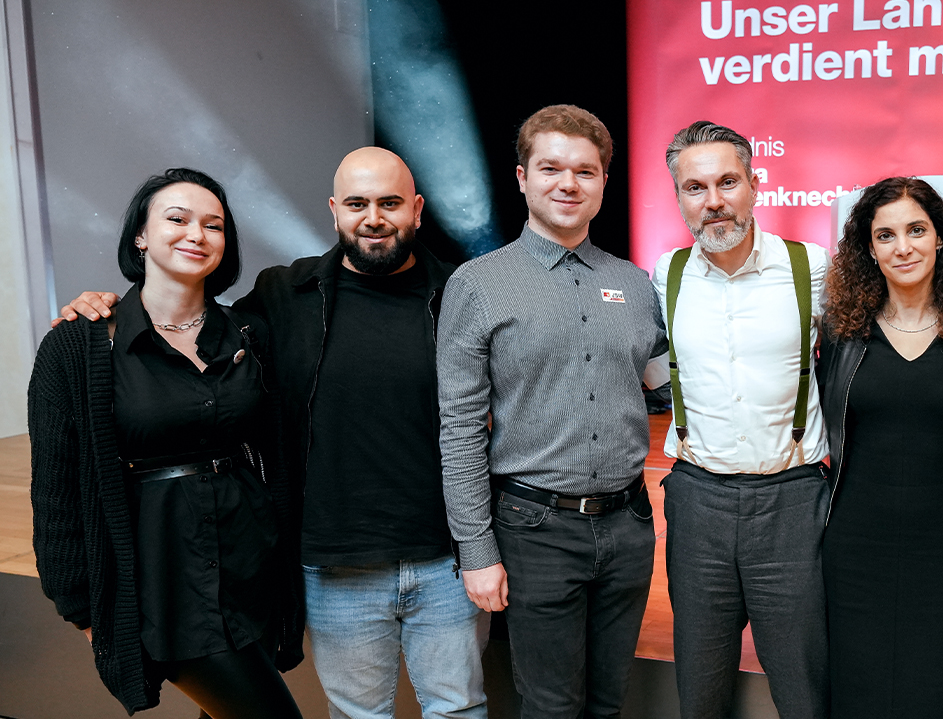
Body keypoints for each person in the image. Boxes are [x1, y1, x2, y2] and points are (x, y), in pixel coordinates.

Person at [57, 148, 487, 719]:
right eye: (357, 203)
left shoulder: (462, 292)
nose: (373, 218)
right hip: (333, 563)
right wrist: (101, 305)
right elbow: (180, 318)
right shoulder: (285, 294)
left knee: (458, 709)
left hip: (445, 559)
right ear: (334, 210)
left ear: (417, 208)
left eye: (390, 203)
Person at [30, 168, 305, 717]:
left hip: (251, 566)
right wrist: (81, 606)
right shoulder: (81, 345)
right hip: (161, 581)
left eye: (214, 225)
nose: (196, 234)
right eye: (177, 219)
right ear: (140, 234)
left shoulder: (248, 333)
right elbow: (55, 490)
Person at [436, 104, 668, 719]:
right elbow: (459, 428)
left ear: (604, 183)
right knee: (550, 708)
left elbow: (664, 385)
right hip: (534, 530)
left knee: (607, 704)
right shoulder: (477, 284)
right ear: (522, 177)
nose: (569, 184)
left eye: (585, 172)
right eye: (551, 169)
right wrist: (476, 550)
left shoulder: (636, 284)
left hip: (628, 527)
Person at [648, 121, 831, 719]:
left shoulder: (811, 267)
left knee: (803, 687)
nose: (714, 201)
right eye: (695, 188)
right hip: (697, 499)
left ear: (754, 185)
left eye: (727, 182)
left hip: (792, 500)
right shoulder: (667, 274)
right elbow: (649, 369)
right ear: (679, 198)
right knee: (701, 687)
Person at [819, 176, 943, 718]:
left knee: (939, 694)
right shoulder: (840, 330)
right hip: (855, 546)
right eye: (886, 235)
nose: (903, 247)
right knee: (857, 695)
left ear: (940, 236)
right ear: (869, 249)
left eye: (916, 230)